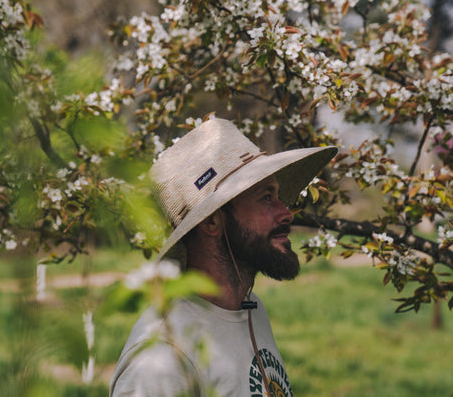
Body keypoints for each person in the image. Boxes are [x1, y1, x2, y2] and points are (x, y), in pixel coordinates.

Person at [109, 118, 337, 397]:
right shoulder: (161, 361)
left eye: (278, 196)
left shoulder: (251, 308)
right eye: (266, 198)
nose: (286, 213)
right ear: (212, 223)